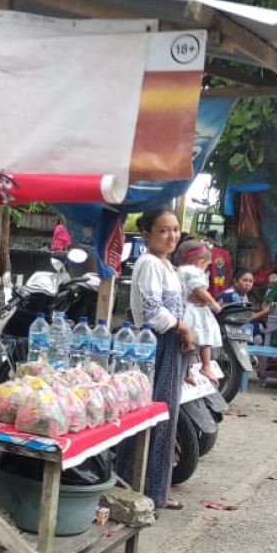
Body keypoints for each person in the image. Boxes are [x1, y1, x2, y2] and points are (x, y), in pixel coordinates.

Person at [114, 206, 196, 511]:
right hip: (156, 346)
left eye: (175, 229)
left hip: (170, 346)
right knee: (154, 418)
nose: (171, 235)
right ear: (147, 234)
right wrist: (183, 327)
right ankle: (140, 490)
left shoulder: (166, 265)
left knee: (164, 418)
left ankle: (154, 491)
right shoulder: (148, 263)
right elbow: (151, 312)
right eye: (164, 230)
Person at [174, 240, 223, 386]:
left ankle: (187, 370)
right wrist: (213, 303)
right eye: (207, 264)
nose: (206, 267)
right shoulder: (194, 271)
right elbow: (199, 290)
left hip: (186, 308)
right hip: (197, 310)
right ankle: (206, 366)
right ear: (200, 261)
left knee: (189, 343)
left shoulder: (180, 270)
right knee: (205, 338)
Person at [218, 268, 271, 340]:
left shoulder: (243, 295)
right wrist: (265, 312)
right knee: (260, 329)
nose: (248, 284)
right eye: (244, 280)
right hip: (224, 331)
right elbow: (247, 317)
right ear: (235, 281)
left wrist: (262, 310)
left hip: (231, 328)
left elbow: (249, 309)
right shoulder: (233, 295)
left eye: (250, 281)